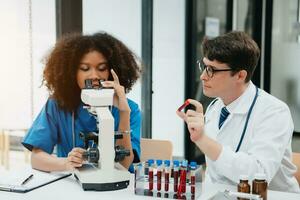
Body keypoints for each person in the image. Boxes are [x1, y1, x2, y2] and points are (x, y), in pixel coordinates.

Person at [177, 31, 300, 193]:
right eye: (204, 66)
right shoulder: (215, 107)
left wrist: (202, 140)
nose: (203, 76)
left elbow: (258, 176)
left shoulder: (274, 112)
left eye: (212, 70)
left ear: (240, 75)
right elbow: (215, 175)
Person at [22, 32, 141, 173]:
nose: (94, 76)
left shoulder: (129, 109)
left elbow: (124, 165)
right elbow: (36, 158)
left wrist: (124, 113)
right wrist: (66, 163)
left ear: (112, 71)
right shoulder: (57, 105)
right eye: (85, 69)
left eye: (102, 68)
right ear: (72, 72)